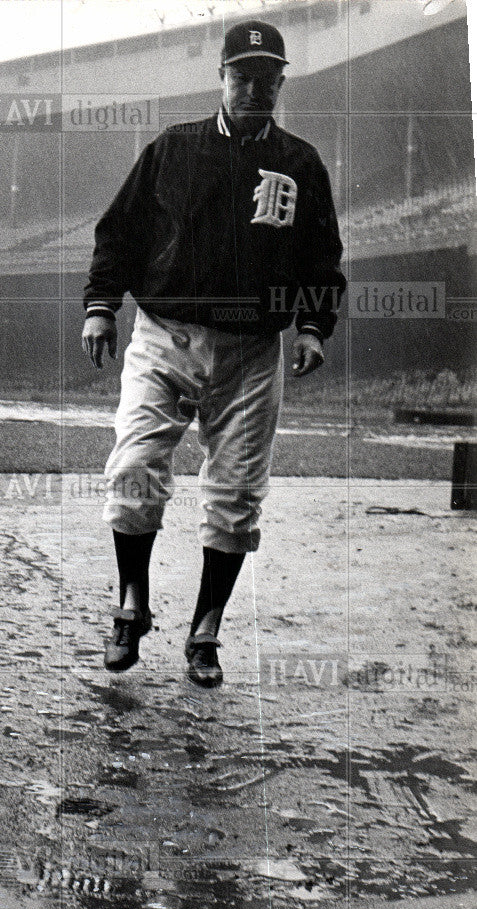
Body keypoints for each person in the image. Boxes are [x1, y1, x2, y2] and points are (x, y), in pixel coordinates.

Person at [82, 20, 346, 687]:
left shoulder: (300, 163)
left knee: (234, 495)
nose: (254, 87)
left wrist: (313, 326)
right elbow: (117, 232)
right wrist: (99, 305)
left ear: (281, 82)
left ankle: (205, 630)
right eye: (242, 75)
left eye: (267, 77)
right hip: (165, 334)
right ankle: (130, 606)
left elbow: (321, 254)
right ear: (221, 77)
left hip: (253, 347)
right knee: (134, 468)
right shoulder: (173, 148)